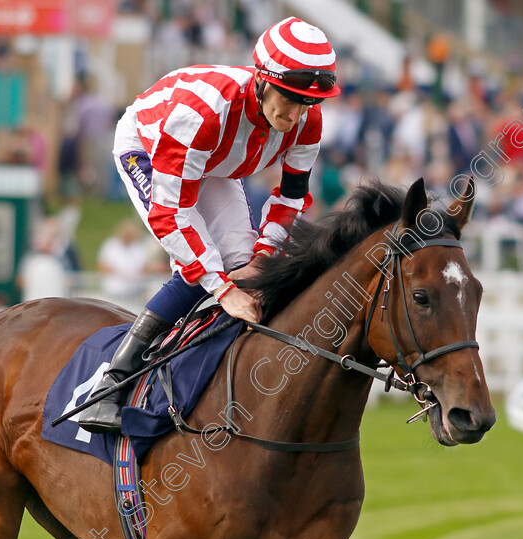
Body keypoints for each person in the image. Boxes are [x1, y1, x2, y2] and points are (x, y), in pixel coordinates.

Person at [79, 17, 341, 432]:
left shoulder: (308, 120)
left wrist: (262, 258)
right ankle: (110, 385)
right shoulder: (201, 113)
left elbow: (290, 198)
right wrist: (221, 288)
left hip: (214, 161)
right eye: (289, 99)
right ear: (261, 80)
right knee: (204, 265)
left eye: (307, 103)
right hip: (149, 148)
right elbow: (172, 215)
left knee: (247, 269)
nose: (295, 114)